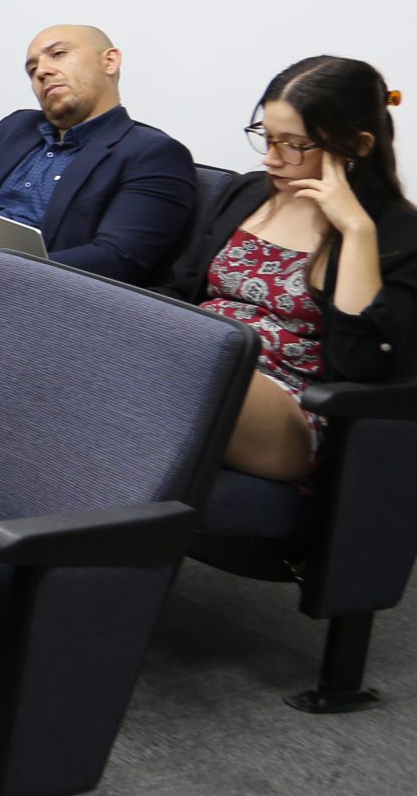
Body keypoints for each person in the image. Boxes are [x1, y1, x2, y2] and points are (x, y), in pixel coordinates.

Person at [163, 56, 417, 483]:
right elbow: (179, 291)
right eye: (267, 137)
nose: (271, 159)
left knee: (195, 362)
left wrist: (356, 231)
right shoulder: (248, 193)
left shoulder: (396, 233)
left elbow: (358, 367)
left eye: (294, 144)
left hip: (292, 409)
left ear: (357, 146)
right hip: (196, 358)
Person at [0, 25, 194, 281]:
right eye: (32, 68)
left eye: (58, 54)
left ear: (109, 61)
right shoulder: (17, 127)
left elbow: (117, 259)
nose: (42, 71)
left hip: (42, 295)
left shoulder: (154, 154)